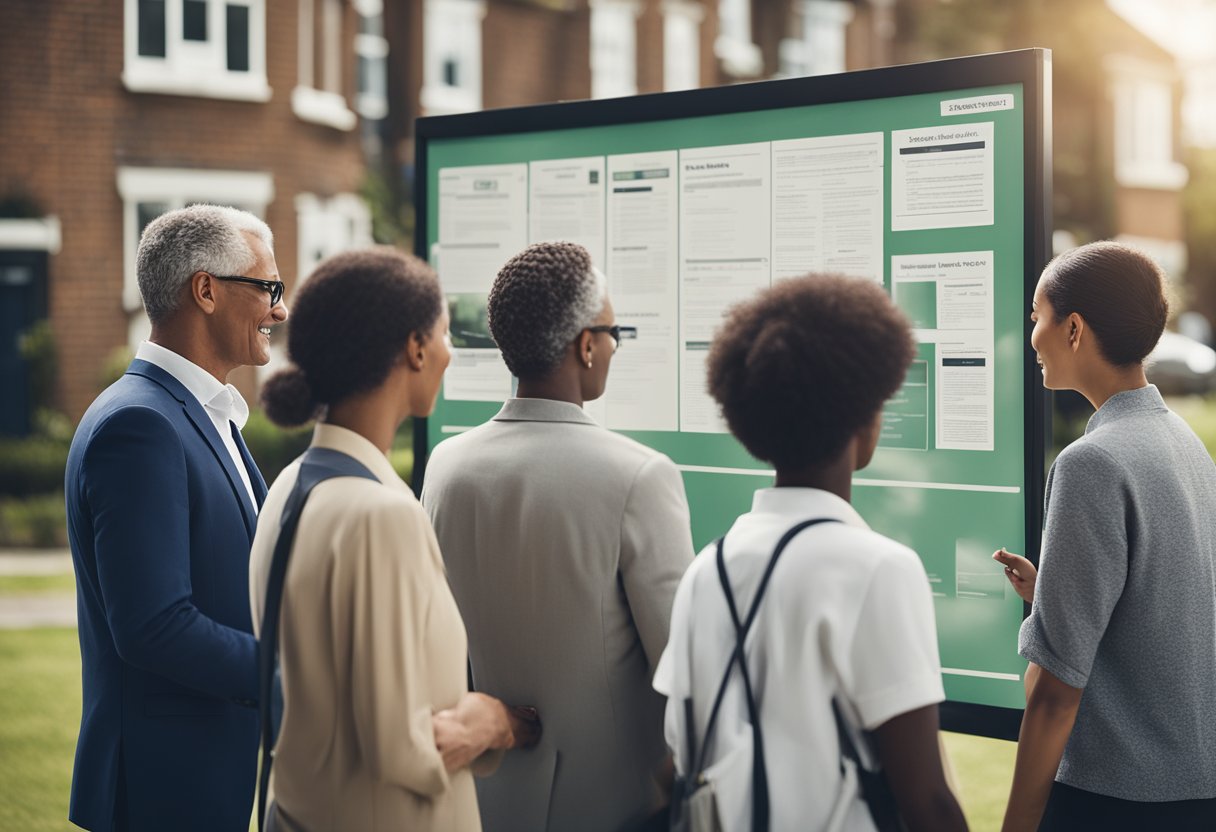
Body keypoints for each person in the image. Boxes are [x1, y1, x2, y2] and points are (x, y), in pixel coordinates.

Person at [655, 275, 967, 832]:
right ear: (864, 423)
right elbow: (926, 801)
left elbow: (677, 756)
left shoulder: (708, 569)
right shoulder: (878, 569)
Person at [249, 248, 538, 832]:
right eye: (442, 334)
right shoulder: (381, 516)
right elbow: (403, 751)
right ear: (415, 348)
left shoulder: (286, 488)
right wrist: (495, 722)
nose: (450, 352)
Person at [422, 241, 695, 832]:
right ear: (587, 344)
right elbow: (685, 665)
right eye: (613, 330)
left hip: (484, 800)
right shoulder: (640, 476)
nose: (615, 345)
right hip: (615, 809)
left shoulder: (447, 465)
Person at [64, 205, 288, 831]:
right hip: (164, 788)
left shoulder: (203, 413)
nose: (280, 309)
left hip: (203, 774)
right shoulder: (141, 425)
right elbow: (153, 625)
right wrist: (294, 676)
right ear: (207, 290)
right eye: (268, 288)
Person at [994, 242, 1216, 832]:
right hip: (1192, 793)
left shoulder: (1091, 462)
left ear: (1072, 329)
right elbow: (1170, 606)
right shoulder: (1184, 443)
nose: (1032, 335)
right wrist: (1053, 596)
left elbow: (1055, 690)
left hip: (1115, 802)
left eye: (1036, 317)